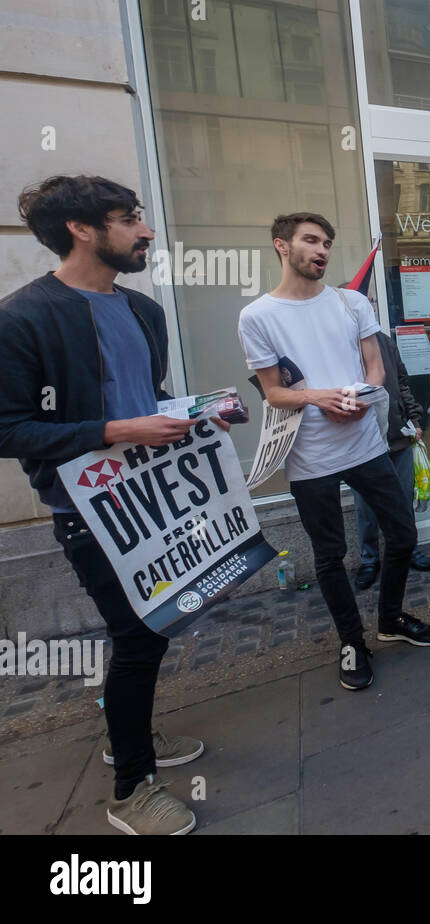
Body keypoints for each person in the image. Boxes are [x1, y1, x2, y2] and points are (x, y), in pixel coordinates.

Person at [1, 176, 217, 834]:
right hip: (88, 514)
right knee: (138, 634)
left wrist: (193, 418)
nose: (146, 231)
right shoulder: (22, 317)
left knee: (160, 625)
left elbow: (143, 400)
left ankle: (131, 736)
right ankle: (131, 789)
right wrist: (116, 432)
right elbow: (8, 428)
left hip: (154, 500)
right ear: (81, 230)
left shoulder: (145, 313)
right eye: (129, 220)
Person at [238, 212, 430, 692]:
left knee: (403, 533)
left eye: (327, 242)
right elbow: (273, 392)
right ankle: (352, 642)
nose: (322, 250)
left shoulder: (352, 303)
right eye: (311, 240)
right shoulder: (257, 316)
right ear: (282, 246)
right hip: (310, 457)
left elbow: (375, 369)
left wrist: (359, 398)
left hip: (366, 443)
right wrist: (318, 398)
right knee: (331, 555)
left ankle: (390, 618)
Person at [353, 327, 430, 590]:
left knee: (403, 499)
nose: (368, 309)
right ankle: (369, 560)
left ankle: (409, 549)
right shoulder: (335, 342)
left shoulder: (384, 341)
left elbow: (402, 383)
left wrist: (413, 418)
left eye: (371, 304)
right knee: (366, 507)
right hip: (361, 443)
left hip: (397, 434)